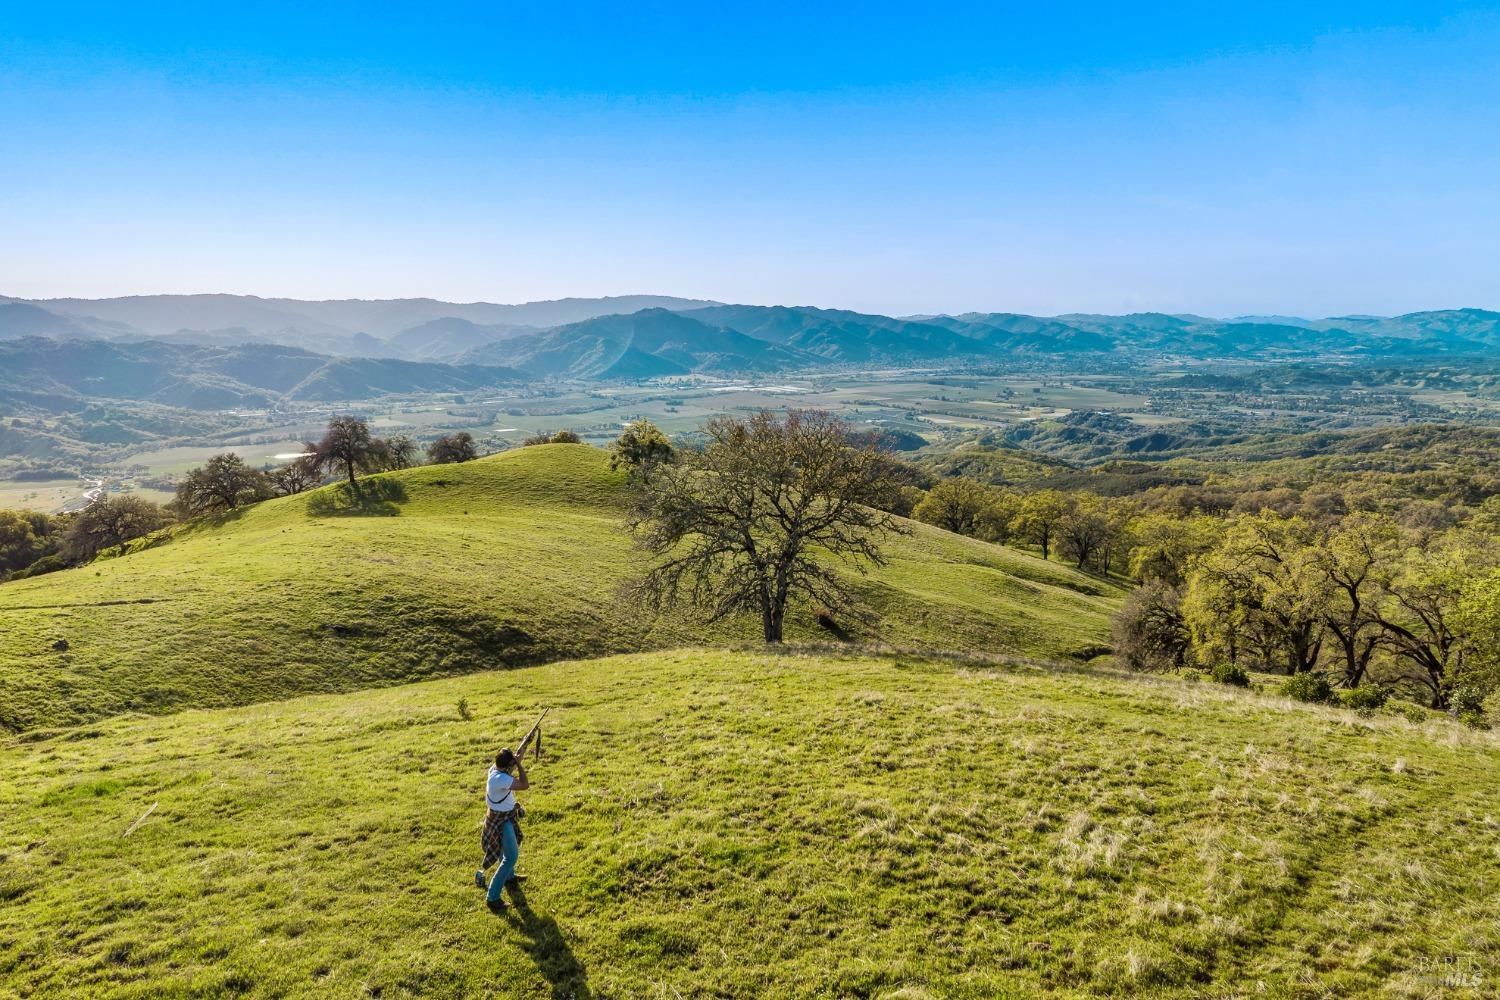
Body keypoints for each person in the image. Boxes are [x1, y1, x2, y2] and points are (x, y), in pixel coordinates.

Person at [475, 747, 529, 913]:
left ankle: (510, 877)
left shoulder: (495, 770)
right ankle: (492, 898)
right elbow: (524, 784)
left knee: (506, 852)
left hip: (501, 817)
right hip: (502, 820)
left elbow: (508, 769)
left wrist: (518, 755)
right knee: (511, 857)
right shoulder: (501, 779)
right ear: (508, 766)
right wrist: (519, 765)